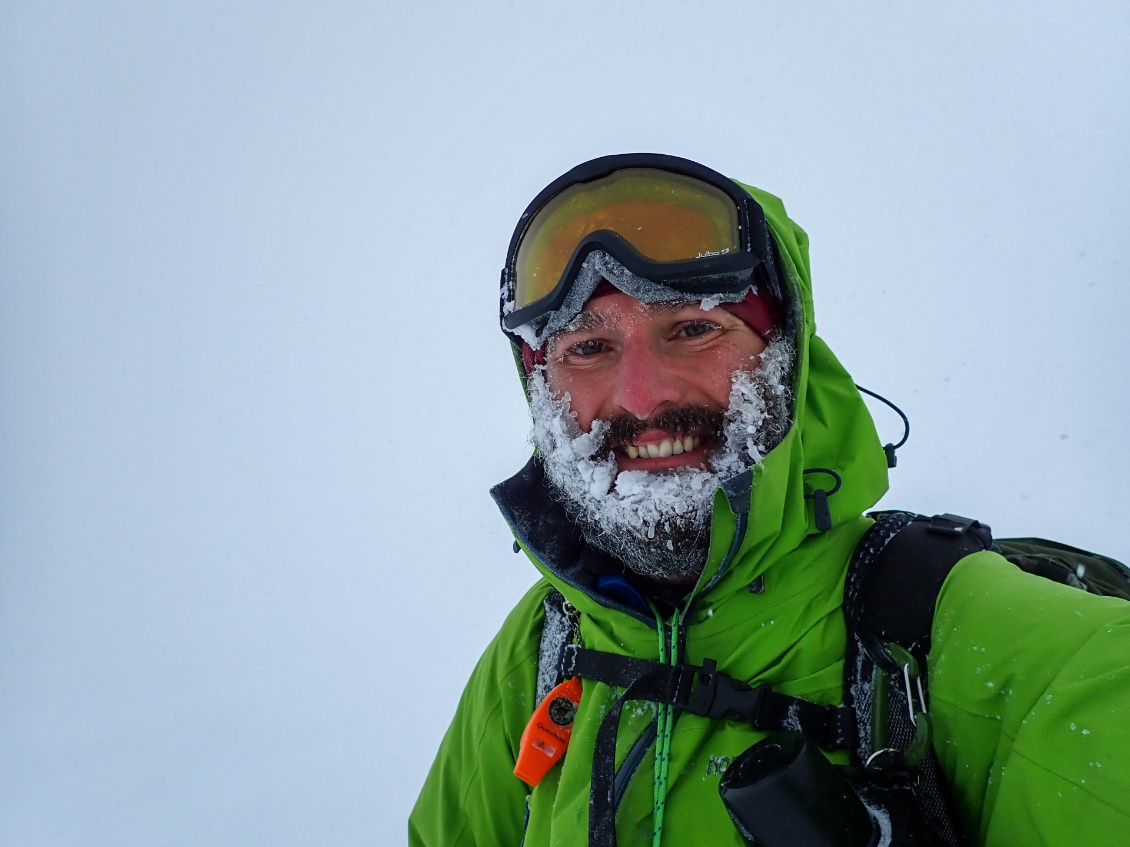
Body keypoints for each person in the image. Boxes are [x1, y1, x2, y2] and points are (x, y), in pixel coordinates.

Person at [409, 154, 1130, 846]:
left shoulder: (1001, 646)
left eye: (693, 329)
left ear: (788, 352)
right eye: (587, 349)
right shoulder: (541, 653)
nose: (642, 396)